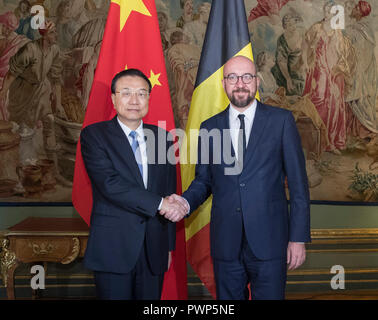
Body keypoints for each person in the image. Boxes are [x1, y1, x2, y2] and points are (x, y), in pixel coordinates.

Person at [165, 56, 311, 300]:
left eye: (246, 77)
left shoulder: (281, 121)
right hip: (226, 242)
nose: (240, 83)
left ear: (257, 81)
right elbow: (204, 180)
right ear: (223, 84)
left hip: (270, 241)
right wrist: (185, 203)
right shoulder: (209, 126)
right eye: (232, 77)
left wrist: (297, 238)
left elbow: (298, 185)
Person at [80, 68, 187, 300]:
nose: (134, 100)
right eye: (126, 93)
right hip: (113, 247)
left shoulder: (164, 138)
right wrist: (161, 204)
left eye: (141, 93)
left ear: (149, 98)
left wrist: (168, 246)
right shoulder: (94, 135)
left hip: (154, 250)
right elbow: (110, 184)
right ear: (113, 99)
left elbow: (169, 189)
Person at [0, 21, 71, 187]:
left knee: (50, 122)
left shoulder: (54, 50)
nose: (56, 36)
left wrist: (58, 103)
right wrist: (3, 91)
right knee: (25, 130)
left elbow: (56, 78)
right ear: (44, 34)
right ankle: (25, 173)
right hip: (23, 92)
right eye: (53, 32)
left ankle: (54, 173)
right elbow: (12, 73)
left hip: (41, 91)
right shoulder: (30, 49)